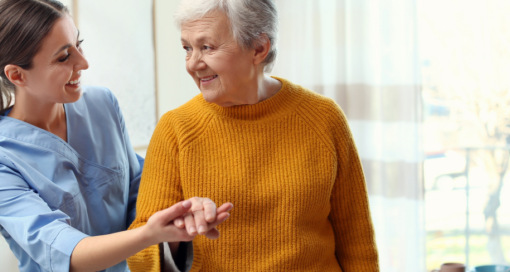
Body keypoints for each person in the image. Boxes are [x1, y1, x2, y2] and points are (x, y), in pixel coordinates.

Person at [0, 1, 232, 271]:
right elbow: (66, 252)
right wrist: (150, 234)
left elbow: (140, 191)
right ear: (17, 75)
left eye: (79, 45)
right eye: (64, 57)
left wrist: (178, 214)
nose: (84, 62)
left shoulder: (102, 105)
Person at [127, 0, 380, 271]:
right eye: (187, 48)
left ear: (259, 48)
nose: (192, 64)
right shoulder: (176, 129)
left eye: (207, 47)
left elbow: (357, 241)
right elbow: (141, 256)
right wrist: (175, 234)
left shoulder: (323, 117)